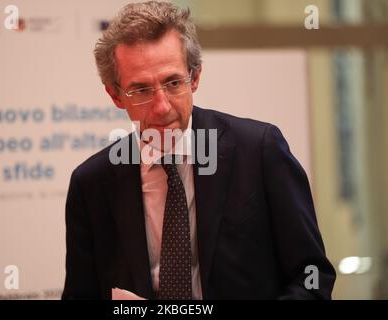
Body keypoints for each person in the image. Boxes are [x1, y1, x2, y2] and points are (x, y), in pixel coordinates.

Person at [62, 1, 336, 300]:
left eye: (172, 82)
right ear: (115, 95)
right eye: (141, 90)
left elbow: (311, 277)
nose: (162, 106)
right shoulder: (92, 184)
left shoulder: (258, 152)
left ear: (195, 78)